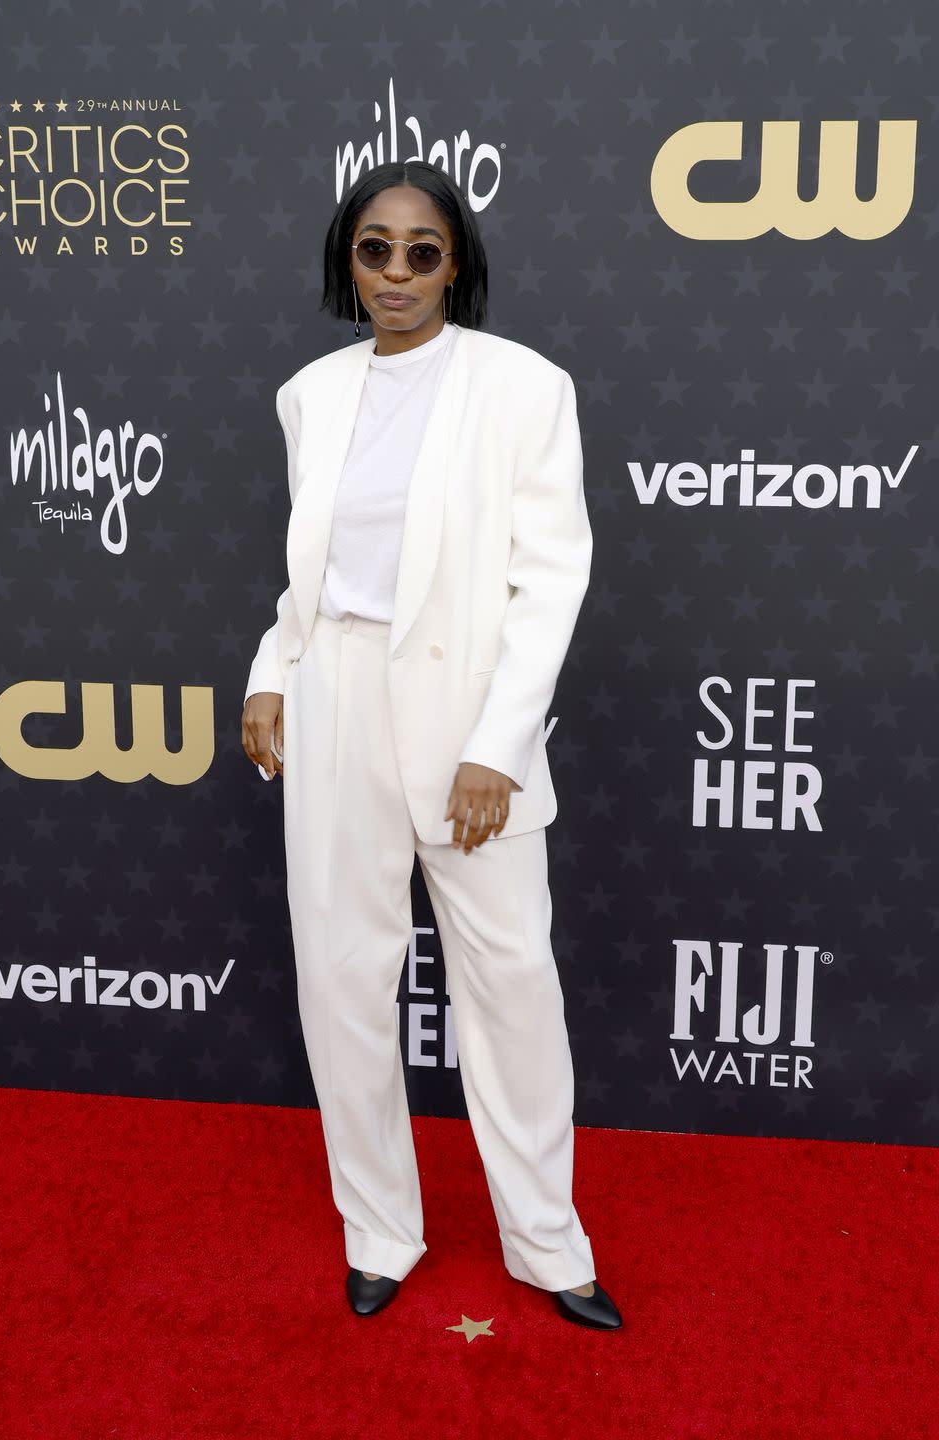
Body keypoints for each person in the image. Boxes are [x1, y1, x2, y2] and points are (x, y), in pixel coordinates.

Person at [241, 160, 622, 1331]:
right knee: (343, 977)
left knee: (509, 982)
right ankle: (380, 1231)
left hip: (468, 710)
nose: (397, 271)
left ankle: (549, 1247)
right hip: (334, 694)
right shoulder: (310, 393)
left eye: (422, 250)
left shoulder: (523, 388)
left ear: (457, 261)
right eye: (374, 248)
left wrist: (499, 746)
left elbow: (550, 580)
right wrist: (271, 670)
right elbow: (318, 578)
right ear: (345, 260)